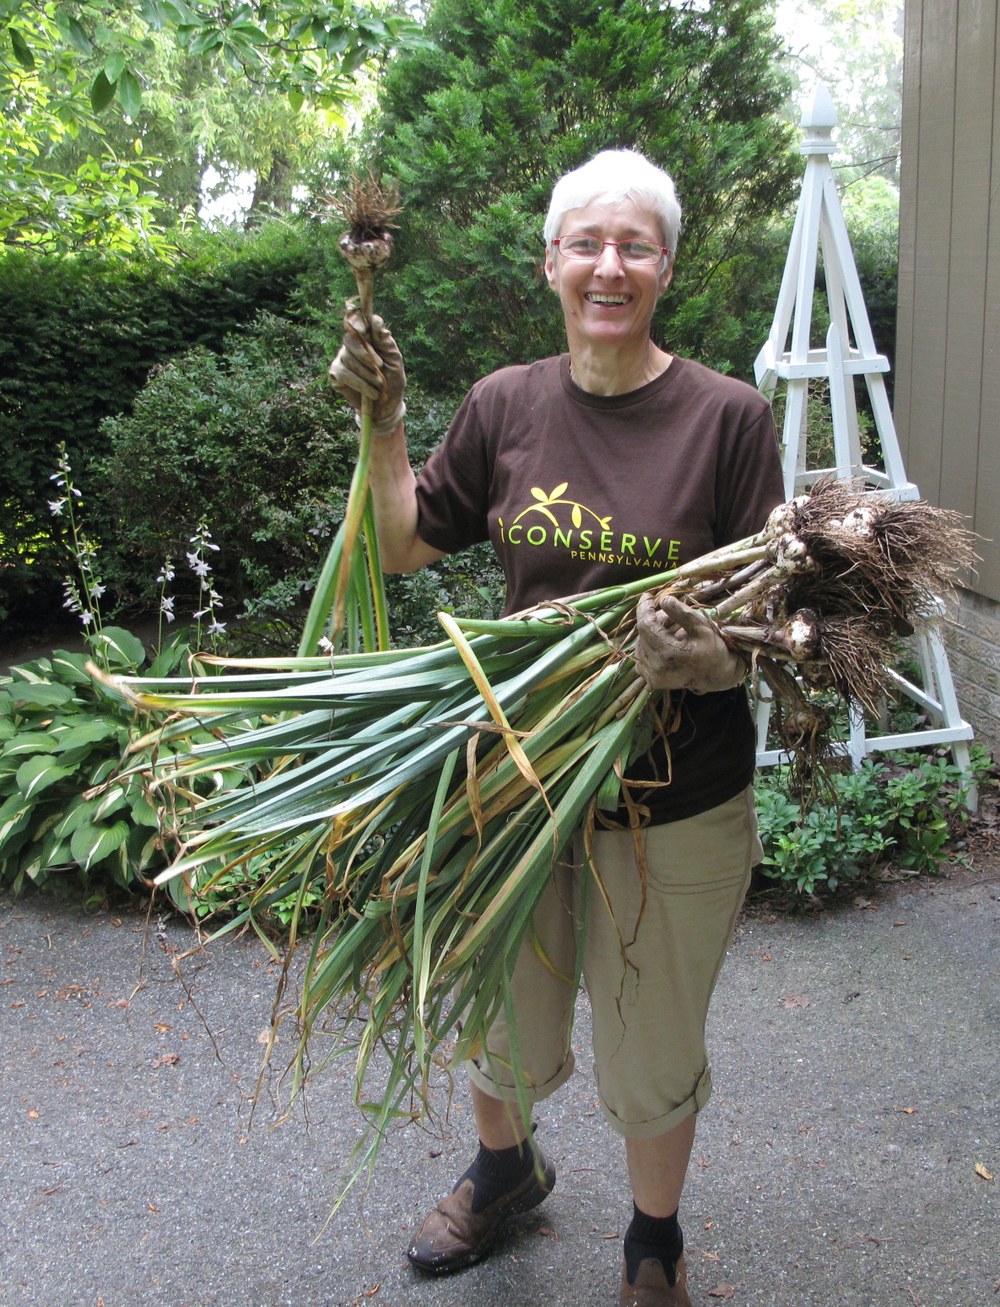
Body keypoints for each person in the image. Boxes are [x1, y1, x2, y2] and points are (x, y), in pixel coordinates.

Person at [329, 148, 785, 1307]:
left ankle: (652, 1242)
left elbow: (780, 615)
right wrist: (385, 421)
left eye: (634, 244)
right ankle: (504, 1166)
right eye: (587, 242)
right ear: (551, 263)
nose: (609, 264)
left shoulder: (729, 419)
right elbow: (400, 543)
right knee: (501, 1012)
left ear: (666, 268)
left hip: (674, 794)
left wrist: (717, 658)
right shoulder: (505, 402)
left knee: (651, 1043)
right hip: (516, 775)